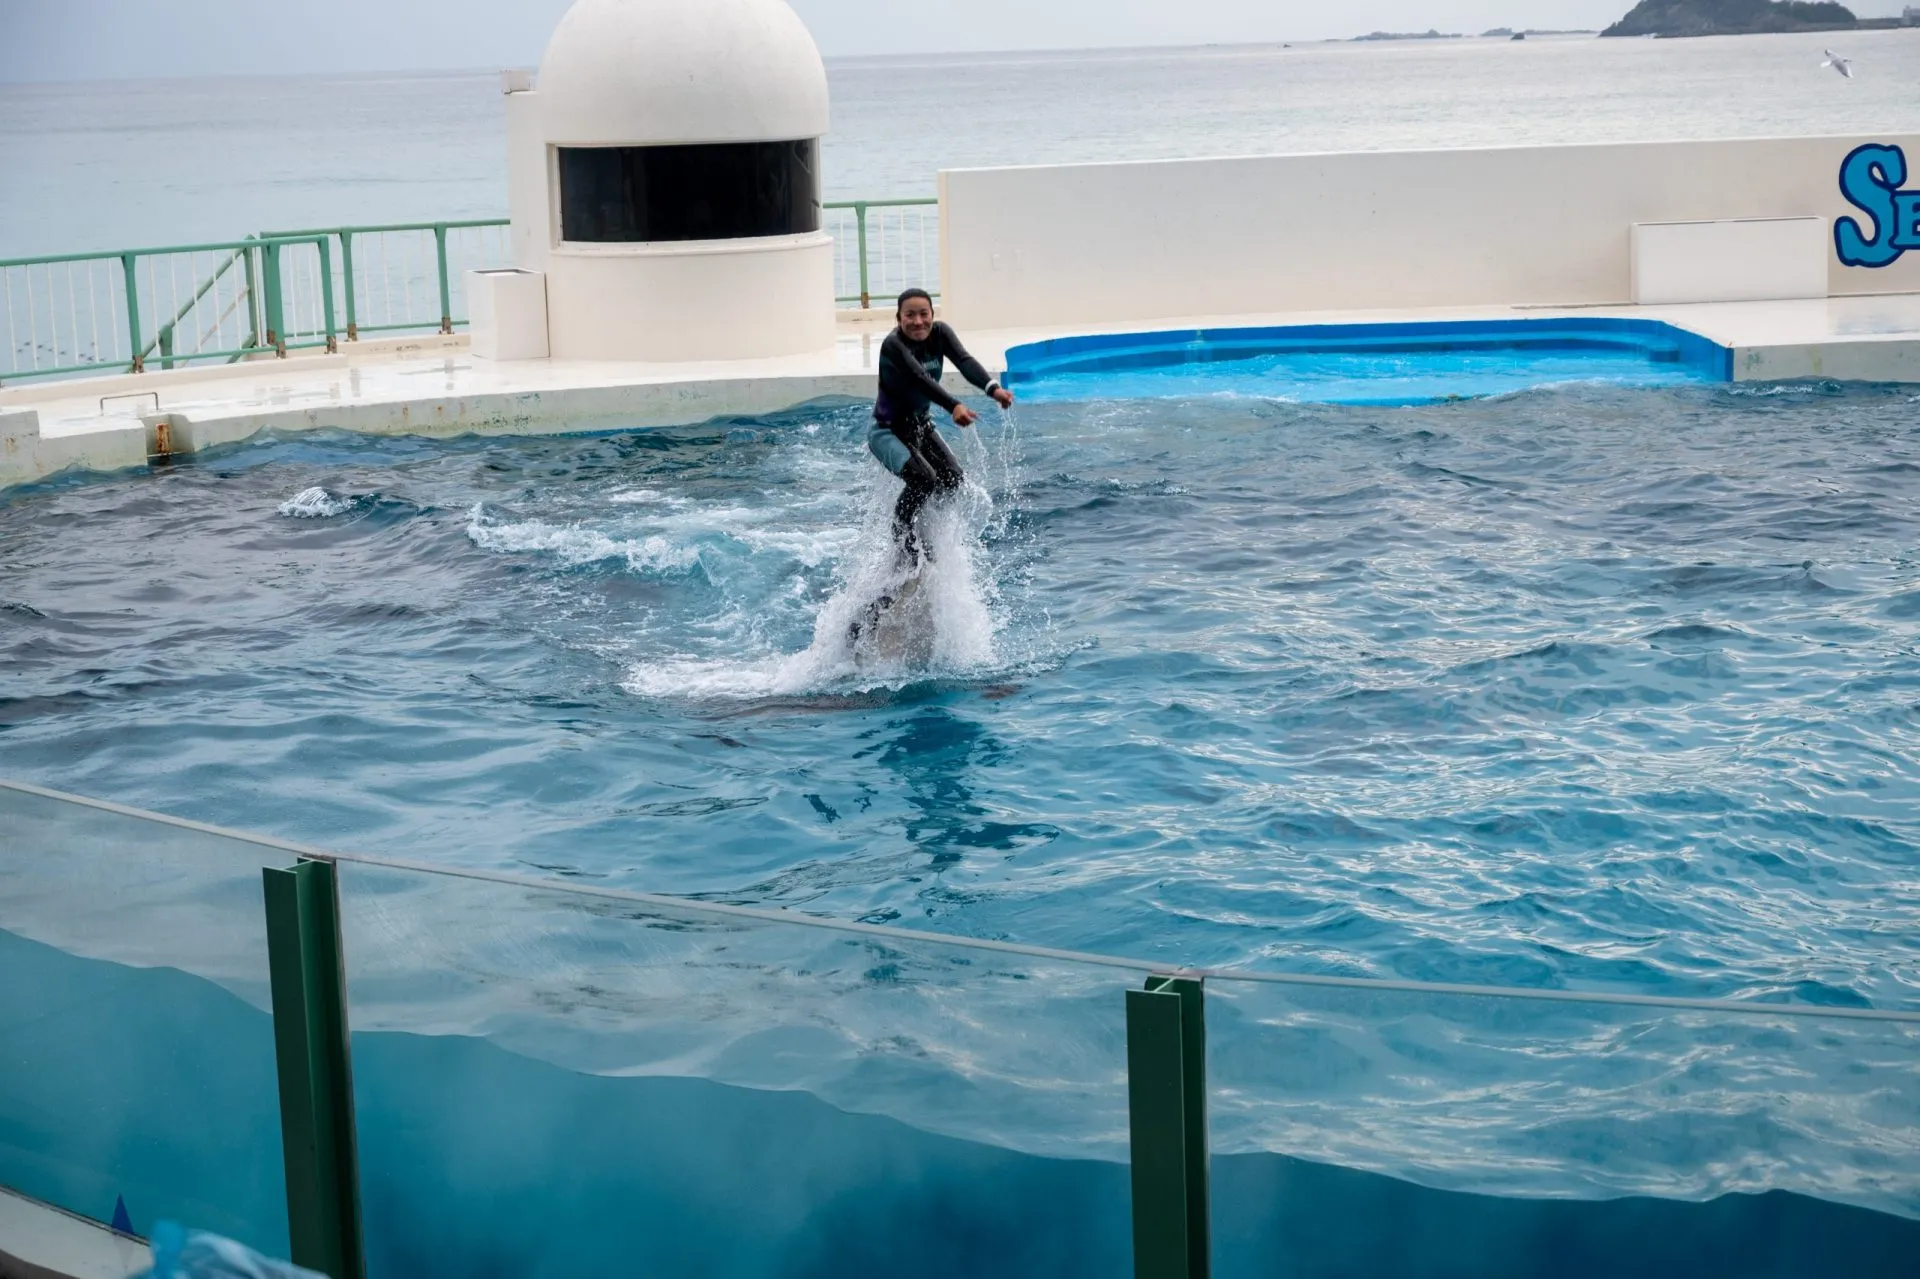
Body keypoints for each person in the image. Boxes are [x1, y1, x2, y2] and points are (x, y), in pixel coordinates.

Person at [868, 288, 1014, 565]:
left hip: (920, 425)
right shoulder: (893, 345)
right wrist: (954, 405)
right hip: (887, 431)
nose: (918, 321)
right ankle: (903, 548)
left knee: (953, 479)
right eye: (910, 315)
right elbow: (919, 377)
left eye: (924, 314)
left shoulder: (940, 333)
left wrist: (993, 389)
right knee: (923, 479)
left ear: (932, 315)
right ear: (898, 318)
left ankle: (927, 536)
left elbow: (964, 360)